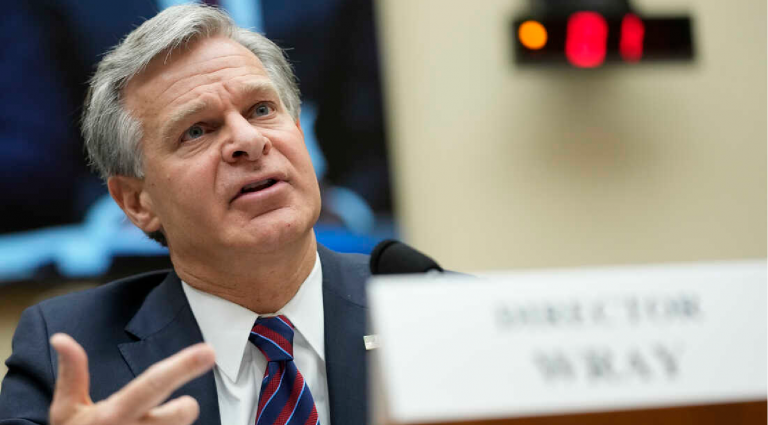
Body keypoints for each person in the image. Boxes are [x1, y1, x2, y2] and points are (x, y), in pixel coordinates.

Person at [0, 4, 371, 425]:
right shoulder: (64, 354)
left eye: (262, 110)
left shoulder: (420, 303)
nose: (249, 140)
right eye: (196, 130)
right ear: (137, 202)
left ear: (299, 133)